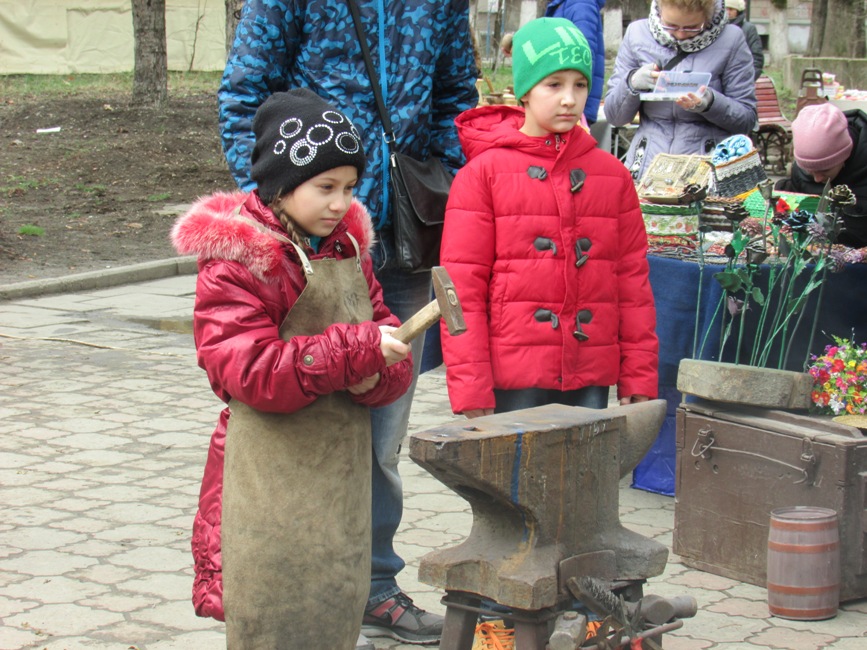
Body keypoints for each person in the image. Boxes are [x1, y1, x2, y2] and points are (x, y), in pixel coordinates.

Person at [215, 2, 478, 647]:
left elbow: (455, 96)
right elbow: (245, 93)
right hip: (300, 246)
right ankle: (291, 590)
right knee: (297, 446)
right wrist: (279, 217)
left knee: (378, 442)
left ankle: (371, 586)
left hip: (402, 236)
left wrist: (444, 185)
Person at [172, 89, 413, 647]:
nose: (339, 203)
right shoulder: (238, 262)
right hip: (265, 488)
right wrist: (352, 353)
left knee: (333, 608)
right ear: (281, 186)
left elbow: (382, 335)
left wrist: (379, 373)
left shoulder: (348, 247)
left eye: (349, 188)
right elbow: (247, 371)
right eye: (324, 187)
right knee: (273, 621)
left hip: (338, 485)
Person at [439, 17, 659, 420]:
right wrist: (472, 387)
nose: (569, 99)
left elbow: (633, 283)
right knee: (510, 481)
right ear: (524, 90)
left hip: (589, 372)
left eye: (579, 84)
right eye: (553, 84)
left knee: (581, 478)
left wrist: (638, 374)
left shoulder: (612, 176)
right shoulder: (482, 175)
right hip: (513, 376)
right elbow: (461, 290)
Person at [604, 0, 757, 181]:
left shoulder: (731, 40)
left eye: (692, 28)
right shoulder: (637, 34)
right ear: (659, 11)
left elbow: (746, 119)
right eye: (671, 25)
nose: (680, 34)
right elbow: (615, 116)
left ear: (709, 16)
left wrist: (710, 103)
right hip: (647, 168)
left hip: (705, 173)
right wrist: (632, 83)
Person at [776, 102, 867, 248]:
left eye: (825, 171)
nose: (817, 179)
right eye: (809, 171)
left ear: (844, 156)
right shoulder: (800, 171)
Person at [546, 0, 607, 126]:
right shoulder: (563, 4)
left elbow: (582, 60)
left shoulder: (581, 4)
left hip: (570, 108)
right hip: (564, 105)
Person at [725, 0, 764, 80]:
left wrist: (748, 79)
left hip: (742, 78)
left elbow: (757, 57)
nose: (728, 12)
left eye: (731, 9)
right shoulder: (716, 29)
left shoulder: (749, 29)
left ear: (738, 11)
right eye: (726, 9)